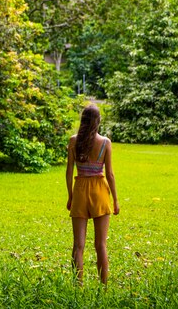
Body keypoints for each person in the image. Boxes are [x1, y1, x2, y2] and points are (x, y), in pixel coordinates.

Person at [66, 103, 119, 285]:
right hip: (100, 191)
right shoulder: (105, 143)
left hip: (80, 189)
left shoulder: (73, 141)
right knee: (101, 245)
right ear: (98, 121)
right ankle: (103, 287)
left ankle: (77, 286)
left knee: (78, 245)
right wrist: (116, 201)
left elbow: (68, 172)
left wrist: (70, 197)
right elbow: (110, 174)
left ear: (83, 121)